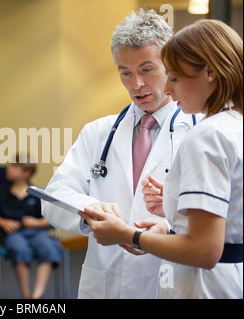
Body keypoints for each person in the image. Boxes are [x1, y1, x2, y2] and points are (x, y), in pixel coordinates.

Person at [41, 8, 199, 299]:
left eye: (146, 69)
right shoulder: (98, 133)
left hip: (173, 277)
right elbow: (53, 198)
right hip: (107, 281)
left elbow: (224, 215)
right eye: (125, 72)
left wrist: (168, 224)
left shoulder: (201, 130)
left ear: (171, 64)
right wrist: (90, 211)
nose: (135, 84)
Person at [80, 19, 243, 299]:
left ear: (211, 73)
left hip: (205, 286)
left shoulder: (206, 135)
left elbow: (205, 251)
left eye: (176, 77)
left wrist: (128, 235)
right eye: (125, 73)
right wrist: (176, 212)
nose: (168, 89)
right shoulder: (235, 125)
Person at [0, 153, 63, 299]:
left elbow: (50, 219)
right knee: (19, 248)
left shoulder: (37, 193)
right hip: (14, 234)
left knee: (48, 248)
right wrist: (4, 222)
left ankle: (37, 295)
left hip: (37, 232)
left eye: (15, 166)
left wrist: (37, 223)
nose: (9, 169)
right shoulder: (1, 193)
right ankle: (26, 295)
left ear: (27, 173)